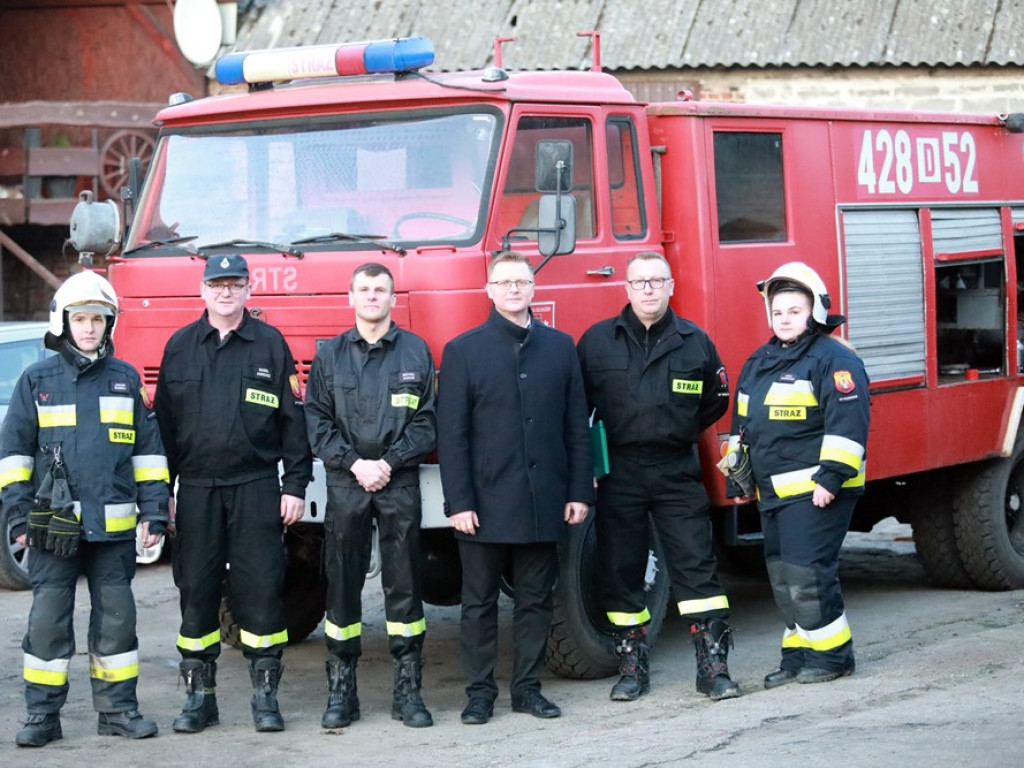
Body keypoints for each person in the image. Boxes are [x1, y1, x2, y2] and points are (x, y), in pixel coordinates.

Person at [0, 271, 168, 747]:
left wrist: (154, 513)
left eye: (98, 318)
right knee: (48, 623)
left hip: (112, 532)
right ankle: (41, 716)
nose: (90, 327)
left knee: (117, 622)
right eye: (81, 318)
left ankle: (117, 710)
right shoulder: (38, 380)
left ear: (109, 323)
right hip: (53, 530)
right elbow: (12, 456)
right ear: (64, 322)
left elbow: (148, 454)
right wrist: (17, 517)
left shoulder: (125, 380)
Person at [155, 254, 313, 733]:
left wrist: (295, 485)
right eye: (217, 284)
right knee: (195, 592)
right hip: (197, 490)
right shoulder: (180, 347)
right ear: (202, 290)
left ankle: (265, 698)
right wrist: (162, 491)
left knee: (261, 591)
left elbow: (293, 421)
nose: (225, 292)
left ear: (249, 290)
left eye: (235, 284)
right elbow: (162, 428)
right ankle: (199, 699)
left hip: (255, 487)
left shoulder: (269, 345)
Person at [437, 251, 593, 725]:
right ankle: (479, 694)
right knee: (479, 603)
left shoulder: (561, 347)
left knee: (535, 600)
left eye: (521, 282)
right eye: (503, 282)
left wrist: (578, 491)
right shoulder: (463, 350)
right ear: (489, 290)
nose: (512, 290)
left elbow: (576, 428)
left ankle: (527, 689)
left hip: (543, 499)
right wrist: (458, 501)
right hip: (482, 503)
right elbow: (452, 435)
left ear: (533, 288)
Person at [576, 251, 740, 702]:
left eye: (657, 281)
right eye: (640, 282)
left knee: (696, 566)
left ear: (671, 287)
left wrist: (678, 429)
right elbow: (579, 408)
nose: (648, 289)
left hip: (676, 470)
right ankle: (631, 667)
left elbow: (715, 400)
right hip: (620, 474)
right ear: (626, 290)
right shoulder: (595, 342)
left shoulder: (695, 342)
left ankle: (713, 667)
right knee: (620, 567)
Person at [305, 262, 436, 729]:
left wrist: (389, 462)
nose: (372, 296)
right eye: (364, 289)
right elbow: (316, 420)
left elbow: (427, 421)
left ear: (393, 298)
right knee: (342, 587)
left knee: (405, 587)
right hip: (347, 483)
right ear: (351, 297)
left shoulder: (416, 352)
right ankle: (342, 691)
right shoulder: (330, 356)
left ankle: (408, 692)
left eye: (381, 289)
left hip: (397, 482)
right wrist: (356, 463)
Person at [726, 261, 869, 688]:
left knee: (808, 572)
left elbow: (848, 424)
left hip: (817, 492)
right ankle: (799, 653)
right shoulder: (761, 360)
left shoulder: (835, 359)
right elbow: (743, 423)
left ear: (814, 313)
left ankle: (833, 658)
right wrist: (739, 475)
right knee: (784, 575)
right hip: (773, 493)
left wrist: (831, 479)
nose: (784, 319)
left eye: (794, 311)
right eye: (778, 312)